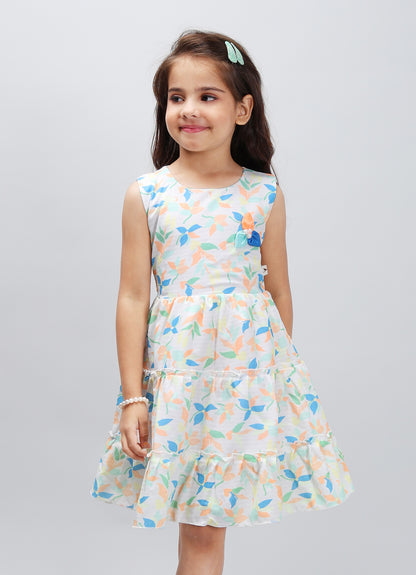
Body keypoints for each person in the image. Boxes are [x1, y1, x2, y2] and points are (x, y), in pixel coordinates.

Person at [90, 29, 354, 574]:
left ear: (242, 109)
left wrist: (266, 382)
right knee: (201, 532)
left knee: (208, 531)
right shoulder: (148, 195)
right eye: (176, 97)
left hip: (241, 387)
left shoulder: (263, 194)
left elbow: (278, 291)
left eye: (207, 96)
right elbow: (133, 297)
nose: (189, 109)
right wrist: (133, 396)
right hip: (179, 385)